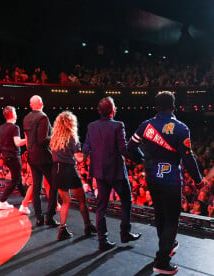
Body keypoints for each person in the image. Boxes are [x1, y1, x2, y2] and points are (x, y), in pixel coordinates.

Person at [127, 91, 204, 275]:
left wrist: (144, 160)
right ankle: (162, 261)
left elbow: (129, 148)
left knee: (161, 215)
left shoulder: (146, 126)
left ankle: (167, 245)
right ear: (174, 106)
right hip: (171, 180)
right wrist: (199, 180)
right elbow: (188, 158)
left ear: (156, 106)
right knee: (172, 219)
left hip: (152, 178)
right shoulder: (181, 128)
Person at [82, 97, 141, 251]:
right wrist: (139, 158)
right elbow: (123, 150)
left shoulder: (91, 126)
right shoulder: (118, 125)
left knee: (101, 207)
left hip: (100, 173)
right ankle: (125, 233)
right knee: (126, 201)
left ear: (99, 111)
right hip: (116, 172)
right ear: (113, 110)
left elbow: (86, 149)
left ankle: (103, 241)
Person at [50, 111, 96, 240]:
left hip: (56, 170)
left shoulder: (54, 138)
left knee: (66, 201)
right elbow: (79, 159)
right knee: (82, 200)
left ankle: (62, 229)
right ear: (70, 123)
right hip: (68, 170)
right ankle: (88, 226)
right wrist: (87, 152)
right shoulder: (72, 137)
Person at [23, 95, 59, 227]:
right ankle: (50, 217)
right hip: (43, 157)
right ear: (42, 103)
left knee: (37, 188)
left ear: (31, 105)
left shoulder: (26, 118)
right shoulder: (43, 117)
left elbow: (29, 139)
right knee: (54, 185)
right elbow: (43, 140)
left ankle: (39, 218)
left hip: (31, 157)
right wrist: (54, 134)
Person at [0, 106, 26, 209]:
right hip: (14, 156)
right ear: (12, 114)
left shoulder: (1, 127)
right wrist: (28, 140)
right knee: (15, 179)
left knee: (17, 177)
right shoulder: (15, 128)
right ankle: (2, 201)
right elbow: (18, 143)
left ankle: (26, 197)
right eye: (15, 111)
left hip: (6, 157)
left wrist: (2, 139)